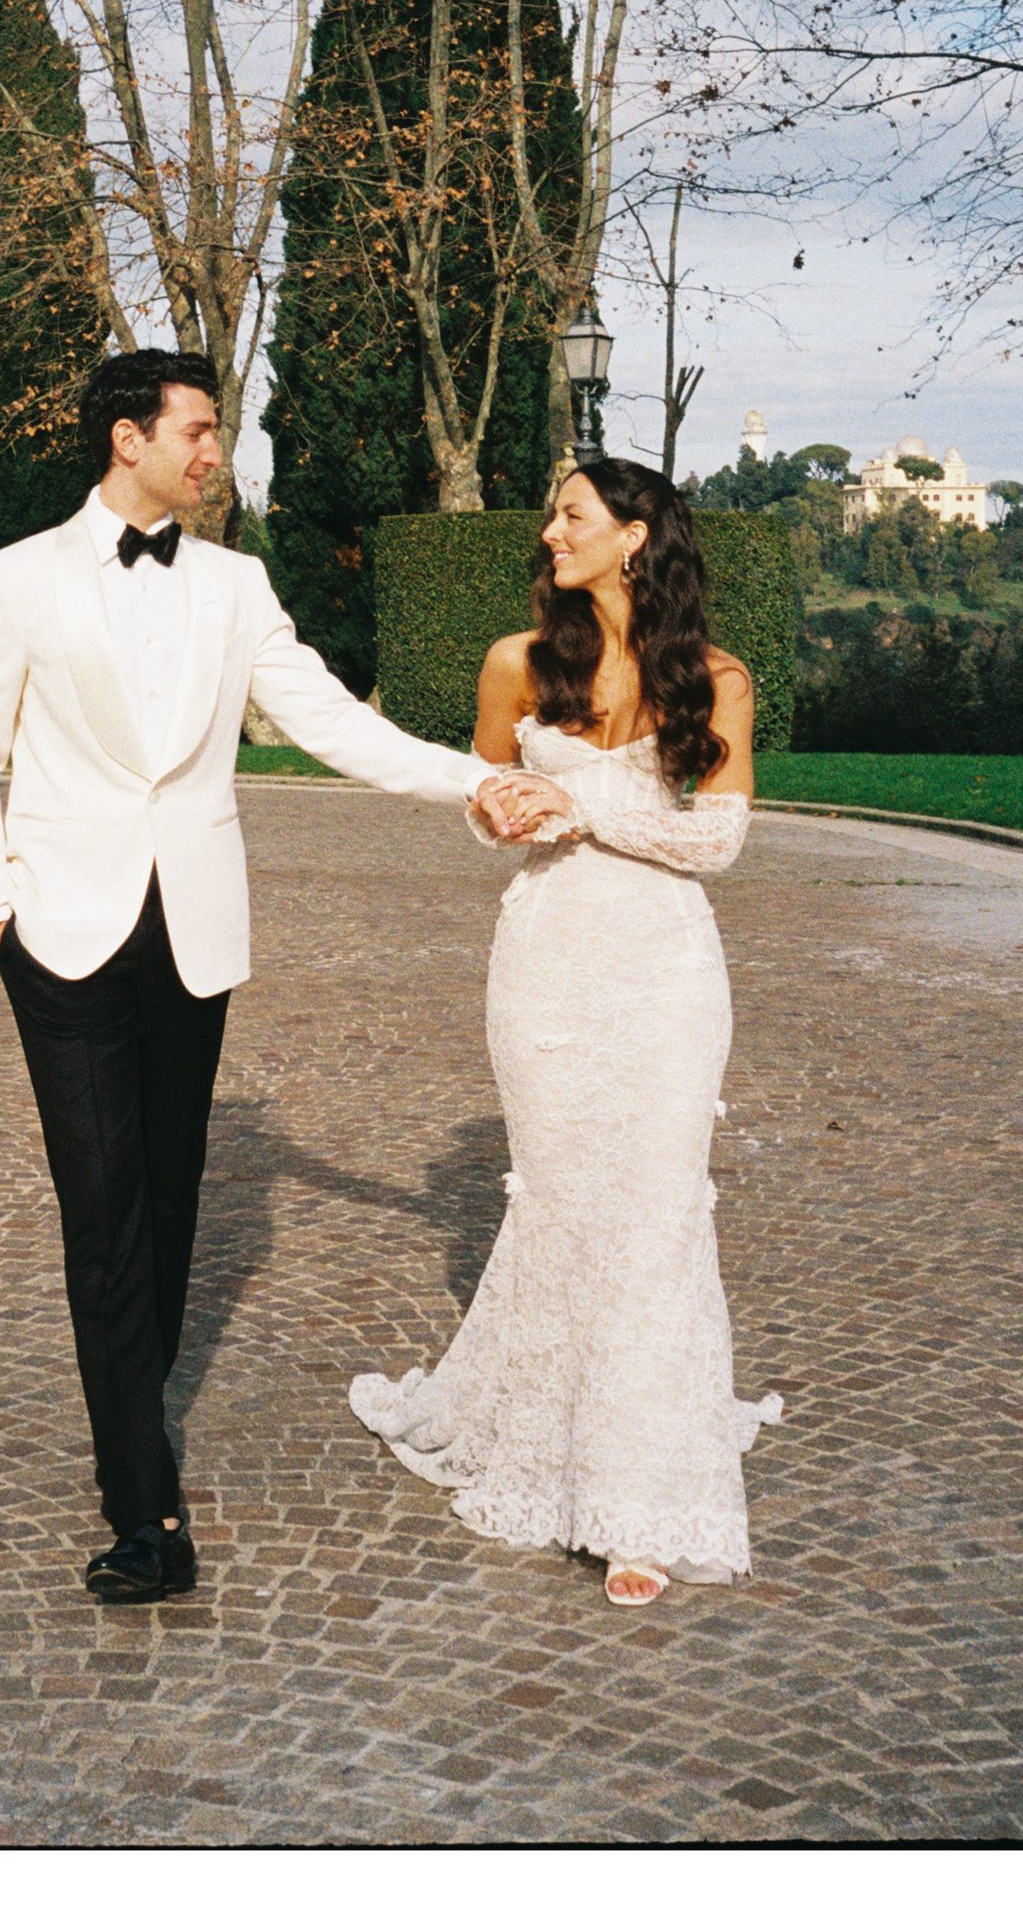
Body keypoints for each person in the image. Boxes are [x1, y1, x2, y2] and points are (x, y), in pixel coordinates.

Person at [0, 349, 541, 1603]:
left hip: (193, 933)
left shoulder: (234, 583)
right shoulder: (18, 578)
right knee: (102, 1208)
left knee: (168, 1199)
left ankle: (130, 1417)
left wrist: (475, 779)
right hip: (62, 935)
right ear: (129, 437)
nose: (216, 452)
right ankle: (143, 1505)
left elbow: (332, 722)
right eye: (199, 430)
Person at [349, 457, 782, 1607]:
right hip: (546, 968)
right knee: (563, 1204)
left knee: (655, 1216)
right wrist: (507, 809)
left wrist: (581, 803)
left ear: (635, 535)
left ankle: (640, 1495)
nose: (550, 531)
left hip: (666, 975)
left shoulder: (718, 678)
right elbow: (485, 801)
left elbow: (718, 840)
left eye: (572, 514)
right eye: (552, 514)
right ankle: (548, 1448)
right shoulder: (517, 663)